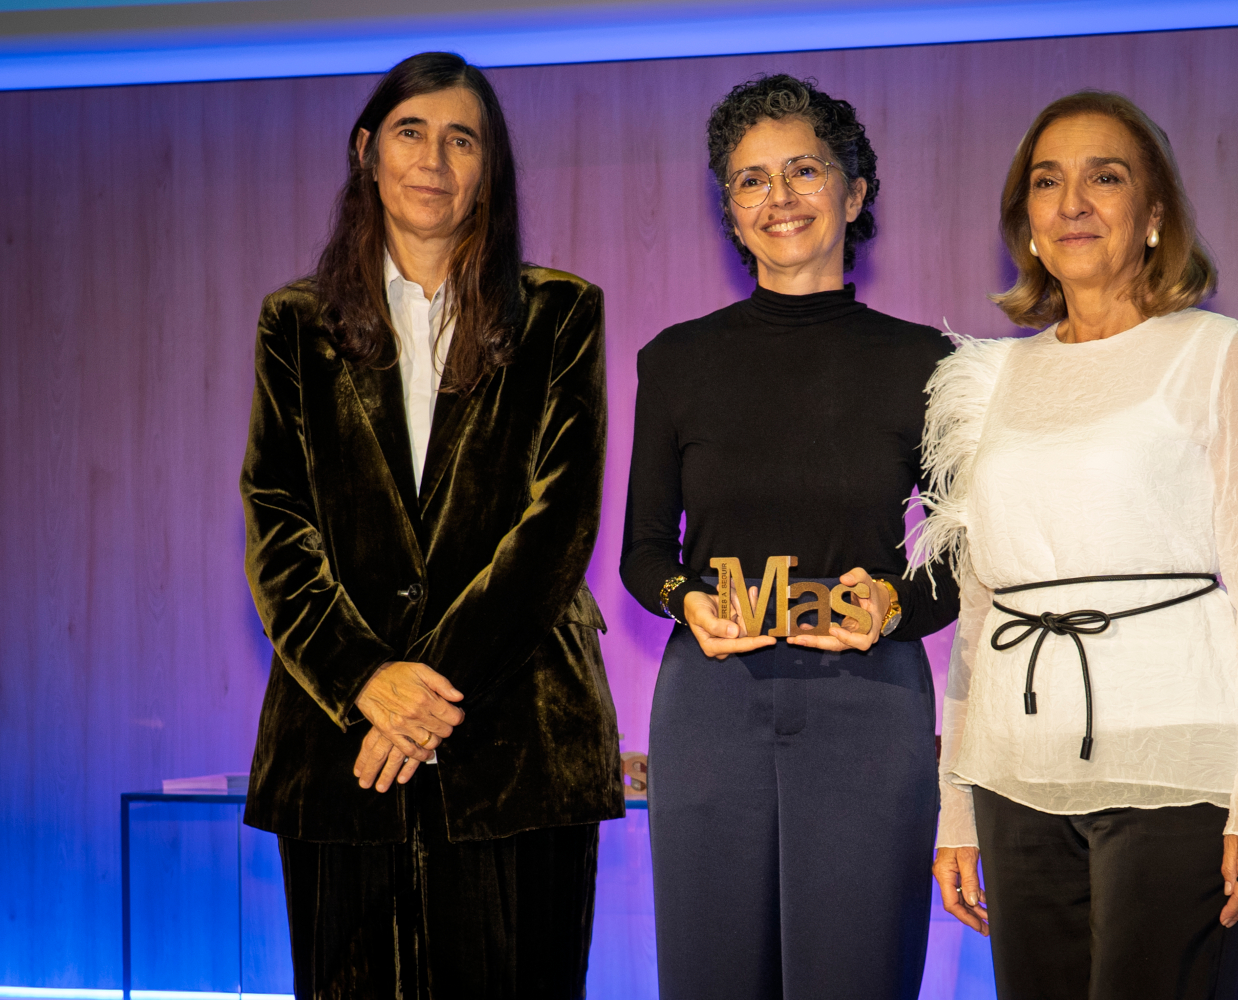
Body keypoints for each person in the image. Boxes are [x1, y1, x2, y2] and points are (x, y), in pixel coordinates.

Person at [909, 90, 1238, 999]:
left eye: (1106, 177)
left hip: (1175, 765)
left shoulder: (1213, 351)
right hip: (1016, 772)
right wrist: (957, 809)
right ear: (1027, 220)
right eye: (1047, 181)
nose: (1072, 201)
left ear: (1155, 214)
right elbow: (979, 613)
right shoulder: (990, 374)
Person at [239, 52, 622, 1000]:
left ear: (488, 168)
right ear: (367, 151)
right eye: (412, 131)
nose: (435, 160)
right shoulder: (296, 323)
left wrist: (428, 696)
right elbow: (275, 518)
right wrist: (368, 679)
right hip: (342, 749)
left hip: (517, 745)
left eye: (464, 139)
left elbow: (558, 523)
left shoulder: (561, 314)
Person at [620, 74, 960, 1000]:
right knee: (710, 975)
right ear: (729, 213)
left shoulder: (929, 364)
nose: (779, 199)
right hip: (711, 702)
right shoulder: (675, 359)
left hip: (870, 700)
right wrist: (683, 600)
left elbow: (969, 553)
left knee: (856, 976)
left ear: (854, 193)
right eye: (750, 180)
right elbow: (643, 551)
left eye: (804, 170)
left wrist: (895, 605)